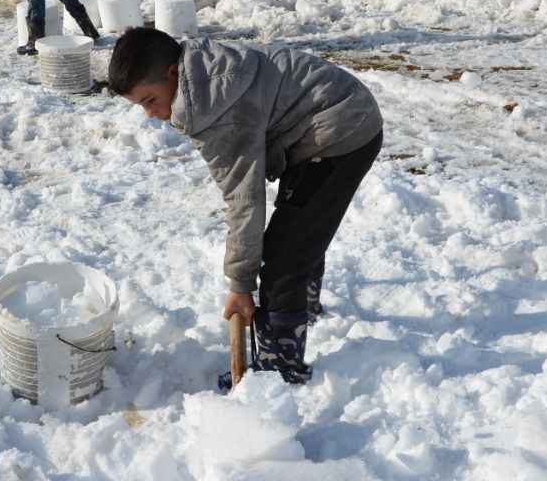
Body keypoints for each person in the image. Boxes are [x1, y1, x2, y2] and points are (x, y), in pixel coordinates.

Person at [108, 29, 383, 387]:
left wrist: (241, 284)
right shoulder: (204, 74)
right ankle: (302, 304)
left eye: (149, 100)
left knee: (285, 255)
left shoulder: (215, 107)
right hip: (325, 115)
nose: (150, 114)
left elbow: (244, 199)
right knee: (299, 227)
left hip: (344, 129)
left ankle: (279, 368)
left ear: (173, 75)